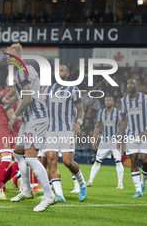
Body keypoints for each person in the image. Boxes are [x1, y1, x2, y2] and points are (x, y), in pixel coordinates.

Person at [4, 43, 56, 212]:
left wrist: (12, 117)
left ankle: (49, 196)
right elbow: (23, 95)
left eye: (11, 56)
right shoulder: (27, 70)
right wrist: (6, 100)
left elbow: (27, 100)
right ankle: (26, 190)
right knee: (18, 153)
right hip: (29, 118)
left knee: (31, 158)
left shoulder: (22, 71)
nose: (8, 59)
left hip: (37, 117)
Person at [43, 65, 87, 203]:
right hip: (50, 130)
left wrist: (78, 123)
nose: (59, 72)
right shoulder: (47, 90)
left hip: (67, 130)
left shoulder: (73, 90)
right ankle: (59, 194)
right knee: (51, 160)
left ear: (67, 74)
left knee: (68, 162)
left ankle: (82, 183)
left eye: (62, 70)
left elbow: (80, 110)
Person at [117, 79, 147, 197]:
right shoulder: (123, 101)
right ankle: (138, 190)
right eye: (128, 83)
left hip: (144, 135)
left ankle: (143, 181)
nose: (129, 85)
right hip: (131, 135)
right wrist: (120, 138)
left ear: (137, 85)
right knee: (133, 159)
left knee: (145, 161)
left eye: (132, 83)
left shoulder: (145, 99)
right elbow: (123, 120)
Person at [87, 96, 124, 189]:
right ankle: (90, 181)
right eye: (106, 100)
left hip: (116, 141)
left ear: (113, 102)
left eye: (110, 100)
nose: (108, 101)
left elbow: (122, 128)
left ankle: (120, 184)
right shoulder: (101, 113)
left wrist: (121, 141)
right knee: (97, 161)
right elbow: (97, 127)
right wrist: (94, 139)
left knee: (118, 161)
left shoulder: (118, 113)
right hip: (104, 140)